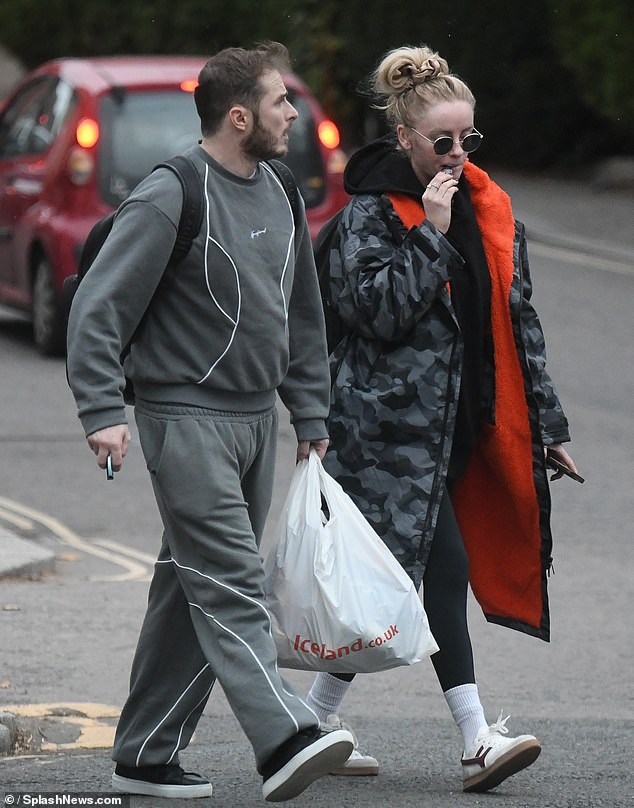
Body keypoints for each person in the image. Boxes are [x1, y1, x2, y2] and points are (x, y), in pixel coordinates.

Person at [66, 42, 354, 802]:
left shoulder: (283, 191)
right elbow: (98, 307)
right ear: (238, 115)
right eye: (279, 102)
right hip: (184, 420)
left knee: (186, 587)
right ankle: (283, 735)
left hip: (256, 423)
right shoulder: (173, 192)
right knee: (229, 582)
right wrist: (102, 409)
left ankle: (146, 750)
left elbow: (302, 315)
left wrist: (310, 412)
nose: (293, 114)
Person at [305, 44, 579, 793]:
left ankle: (311, 723)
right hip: (381, 435)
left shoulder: (488, 209)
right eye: (442, 142)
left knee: (391, 583)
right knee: (440, 574)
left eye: (469, 139)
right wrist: (427, 231)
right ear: (405, 139)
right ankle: (475, 741)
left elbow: (517, 323)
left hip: (455, 433)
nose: (459, 154)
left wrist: (547, 429)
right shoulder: (371, 213)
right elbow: (375, 312)